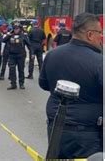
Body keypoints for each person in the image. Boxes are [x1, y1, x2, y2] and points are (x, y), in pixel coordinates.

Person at [39, 13, 102, 158]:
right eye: (100, 33)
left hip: (56, 127)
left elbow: (43, 84)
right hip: (87, 134)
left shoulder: (52, 55)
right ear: (90, 34)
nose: (101, 37)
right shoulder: (99, 62)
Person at [3, 24, 30, 90]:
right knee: (12, 70)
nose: (16, 30)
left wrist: (32, 53)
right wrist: (8, 35)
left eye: (17, 29)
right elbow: (3, 40)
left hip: (21, 55)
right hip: (12, 55)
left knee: (21, 70)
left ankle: (21, 84)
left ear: (20, 29)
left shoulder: (23, 36)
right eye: (15, 29)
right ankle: (13, 84)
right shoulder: (10, 35)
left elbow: (29, 45)